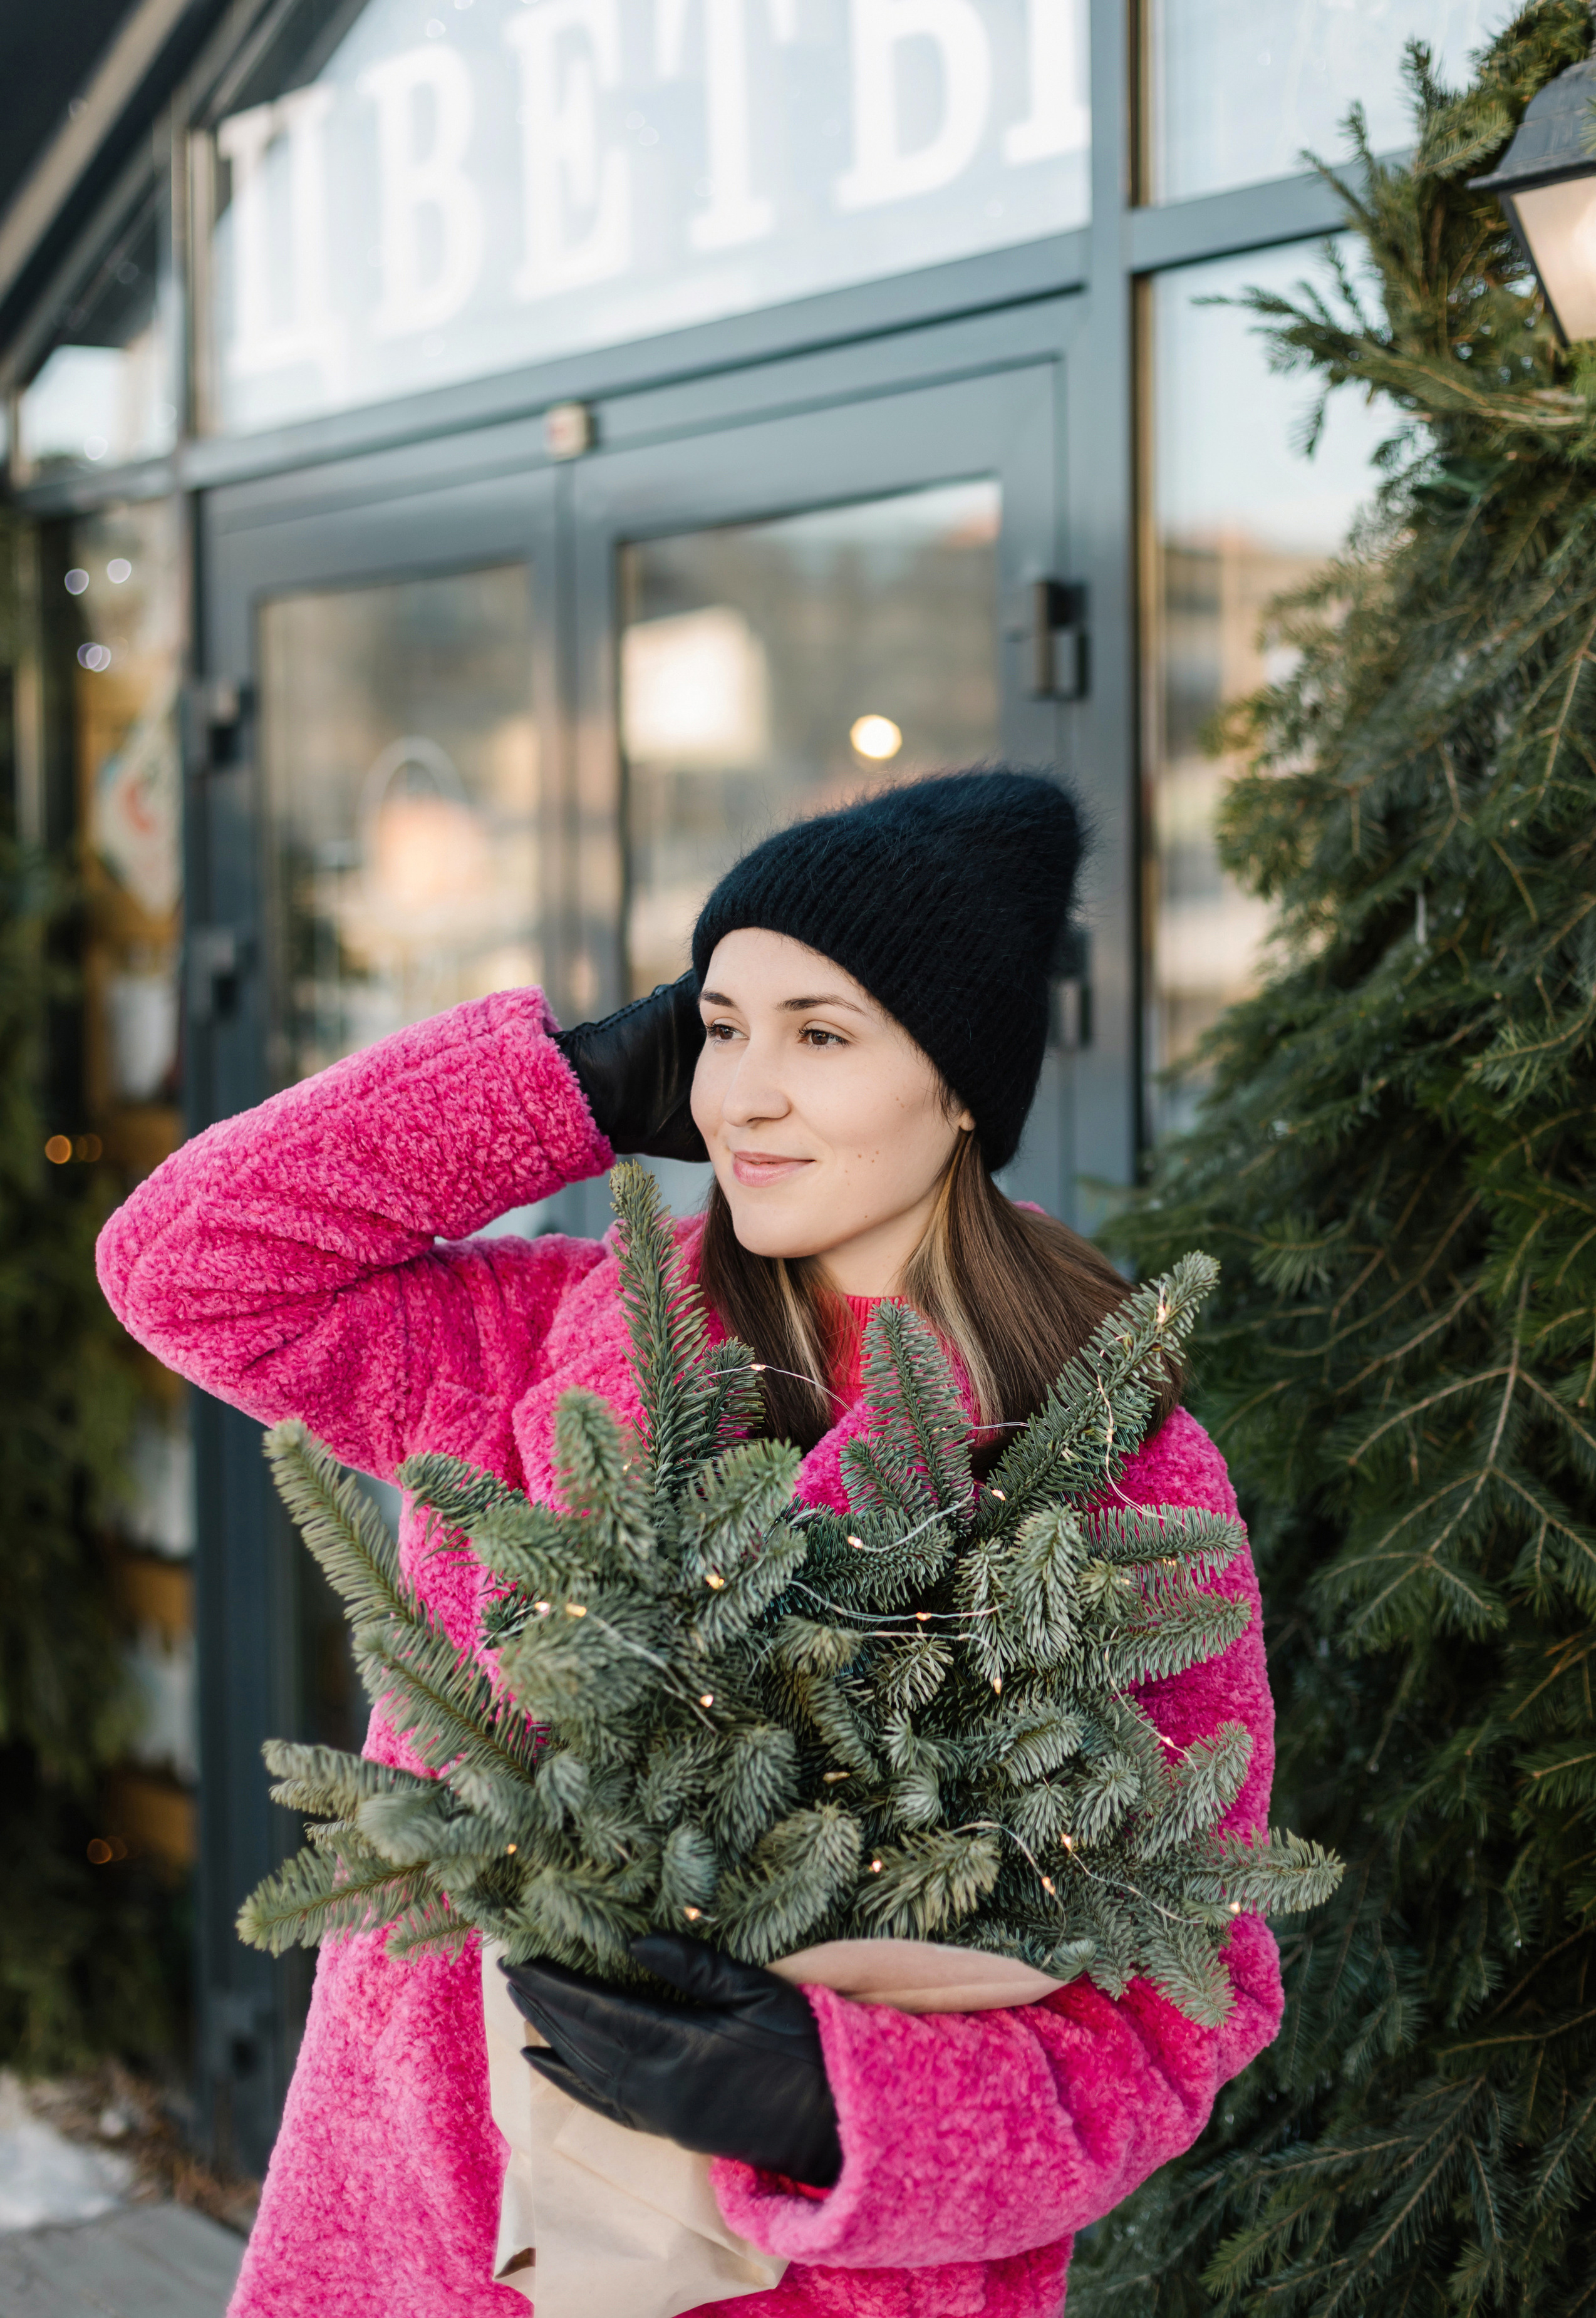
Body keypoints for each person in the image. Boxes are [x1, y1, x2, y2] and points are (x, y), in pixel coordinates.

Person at [98, 771, 1282, 2318]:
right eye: (719, 1029)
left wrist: (831, 2103)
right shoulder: (546, 1343)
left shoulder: (1105, 1460)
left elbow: (1182, 2004)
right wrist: (572, 1084)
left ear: (964, 1089)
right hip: (418, 2248)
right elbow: (190, 1267)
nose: (741, 1097)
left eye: (822, 1035)